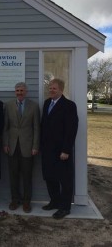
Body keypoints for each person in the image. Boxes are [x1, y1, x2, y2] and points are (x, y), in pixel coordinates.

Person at [40, 78, 78, 219]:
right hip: (47, 149)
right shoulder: (46, 103)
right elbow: (43, 125)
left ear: (61, 90)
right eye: (50, 88)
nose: (51, 90)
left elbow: (71, 129)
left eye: (54, 88)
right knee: (50, 177)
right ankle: (54, 201)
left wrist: (66, 150)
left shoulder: (69, 105)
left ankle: (65, 207)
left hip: (61, 151)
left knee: (65, 179)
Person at [3, 82, 40, 213]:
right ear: (15, 92)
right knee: (13, 176)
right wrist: (6, 143)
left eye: (22, 90)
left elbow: (36, 128)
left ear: (26, 92)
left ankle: (26, 202)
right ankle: (15, 200)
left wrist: (35, 145)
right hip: (12, 147)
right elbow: (5, 127)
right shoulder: (8, 105)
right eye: (17, 90)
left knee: (27, 176)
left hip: (28, 147)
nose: (19, 92)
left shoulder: (34, 106)